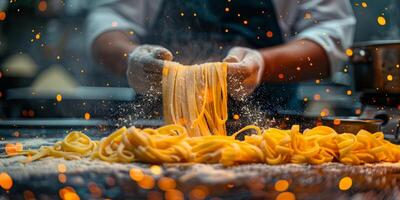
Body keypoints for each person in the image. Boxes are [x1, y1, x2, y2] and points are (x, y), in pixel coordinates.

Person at [86, 0, 356, 115]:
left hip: (272, 128)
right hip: (157, 126)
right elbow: (107, 24)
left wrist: (261, 64)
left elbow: (330, 39)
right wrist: (131, 58)